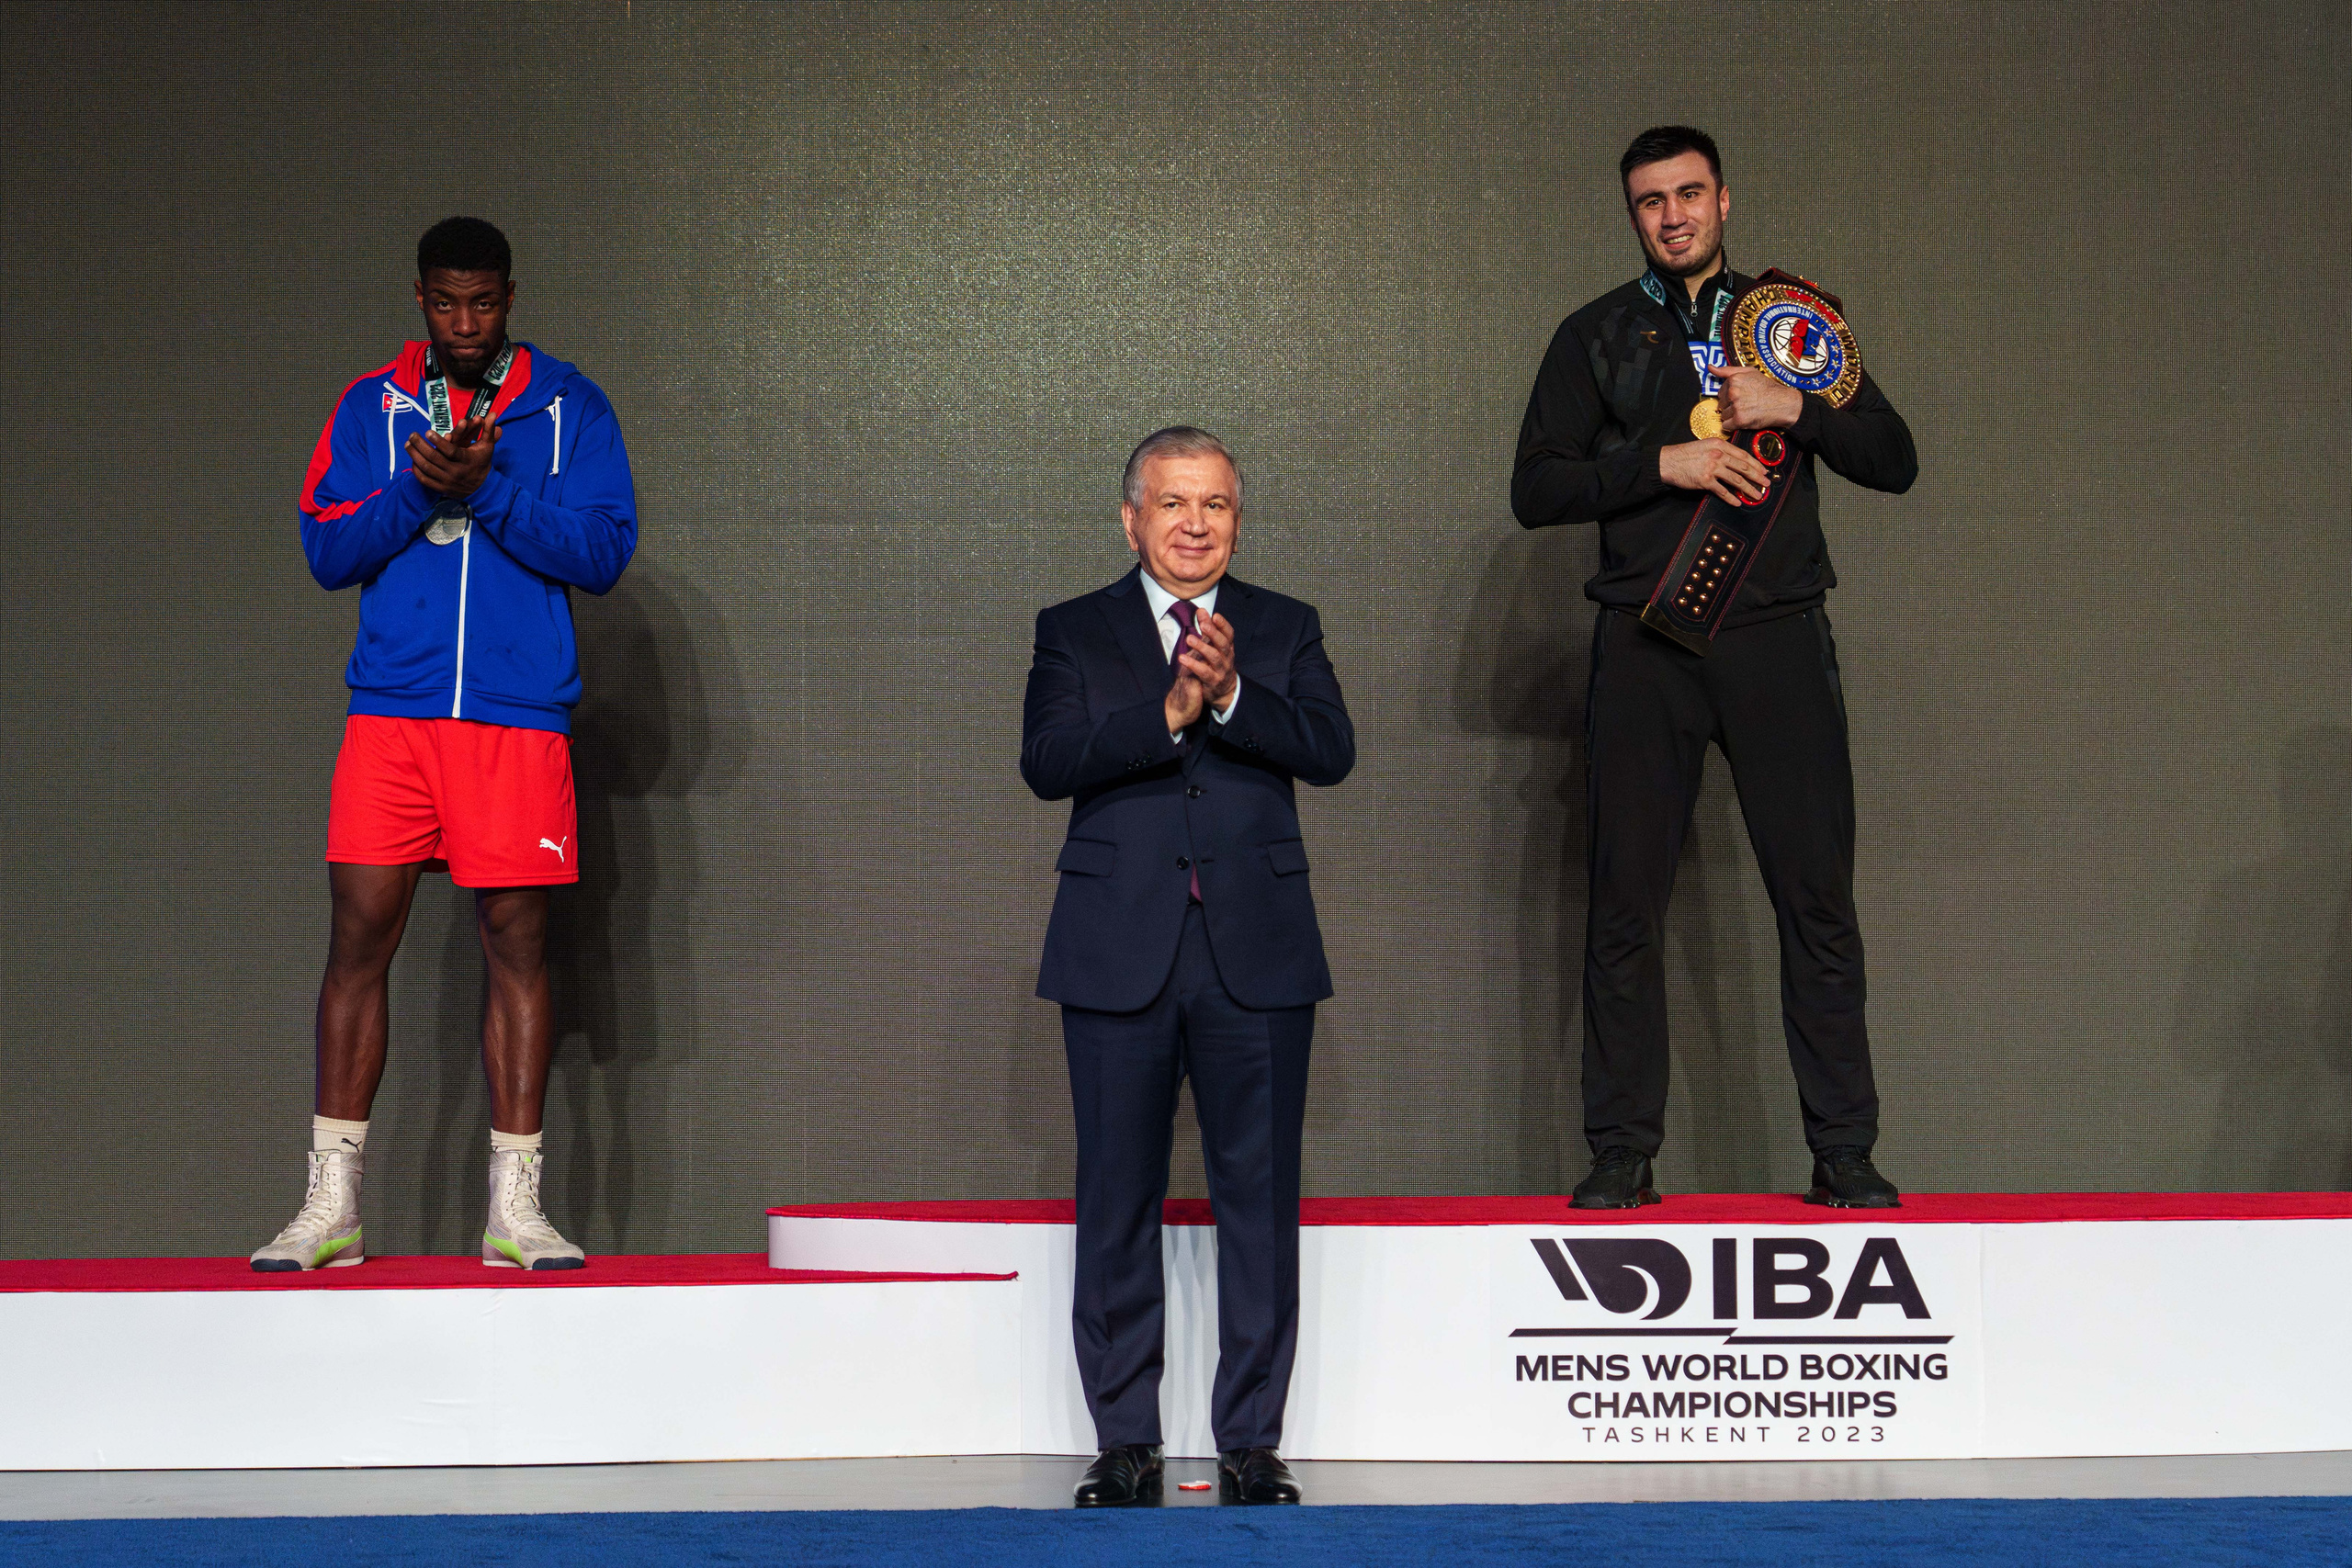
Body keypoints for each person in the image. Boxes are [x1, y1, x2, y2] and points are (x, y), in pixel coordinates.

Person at [1510, 127, 1917, 1211]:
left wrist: (1801, 411)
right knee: (1623, 906)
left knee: (1816, 900)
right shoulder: (1594, 335)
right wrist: (1662, 462)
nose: (1673, 215)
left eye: (1690, 194)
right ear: (1632, 215)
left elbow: (1897, 461)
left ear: (1725, 200)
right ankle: (1621, 1153)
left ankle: (1843, 1153)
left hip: (1776, 634)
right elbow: (1535, 488)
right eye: (1650, 201)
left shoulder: (1791, 327)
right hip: (1647, 643)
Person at [252, 217, 638, 1271]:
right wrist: (419, 487)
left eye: (484, 302)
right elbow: (327, 549)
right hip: (394, 711)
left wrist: (491, 493)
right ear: (419, 300)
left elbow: (605, 550)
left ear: (511, 297)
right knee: (356, 942)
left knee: (517, 948)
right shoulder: (370, 406)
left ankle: (516, 1212)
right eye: (445, 302)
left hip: (513, 719)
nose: (465, 321)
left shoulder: (568, 404)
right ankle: (329, 1204)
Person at [1021, 427, 1355, 1505]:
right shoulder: (1073, 630)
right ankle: (1126, 1442)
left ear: (1237, 520)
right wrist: (1163, 715)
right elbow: (1048, 761)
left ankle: (1251, 1443)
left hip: (1254, 954)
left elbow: (1329, 750)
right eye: (1173, 504)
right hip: (1119, 951)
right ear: (1132, 519)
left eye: (1214, 504)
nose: (1195, 523)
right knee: (1115, 1199)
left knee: (1258, 1204)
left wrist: (1230, 700)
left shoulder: (1283, 627)